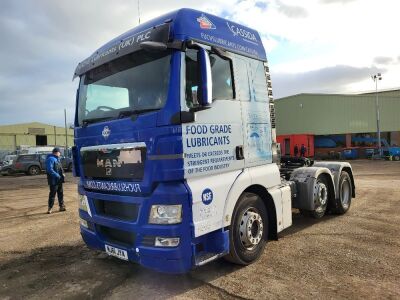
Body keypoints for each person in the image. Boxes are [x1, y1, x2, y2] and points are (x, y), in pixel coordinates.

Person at [46, 147, 66, 214]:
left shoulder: (57, 159)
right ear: (57, 152)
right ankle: (50, 208)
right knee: (52, 194)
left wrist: (62, 174)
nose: (60, 154)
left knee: (60, 194)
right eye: (59, 153)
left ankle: (61, 206)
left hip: (59, 180)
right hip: (53, 180)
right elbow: (49, 170)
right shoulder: (50, 159)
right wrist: (57, 175)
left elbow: (59, 168)